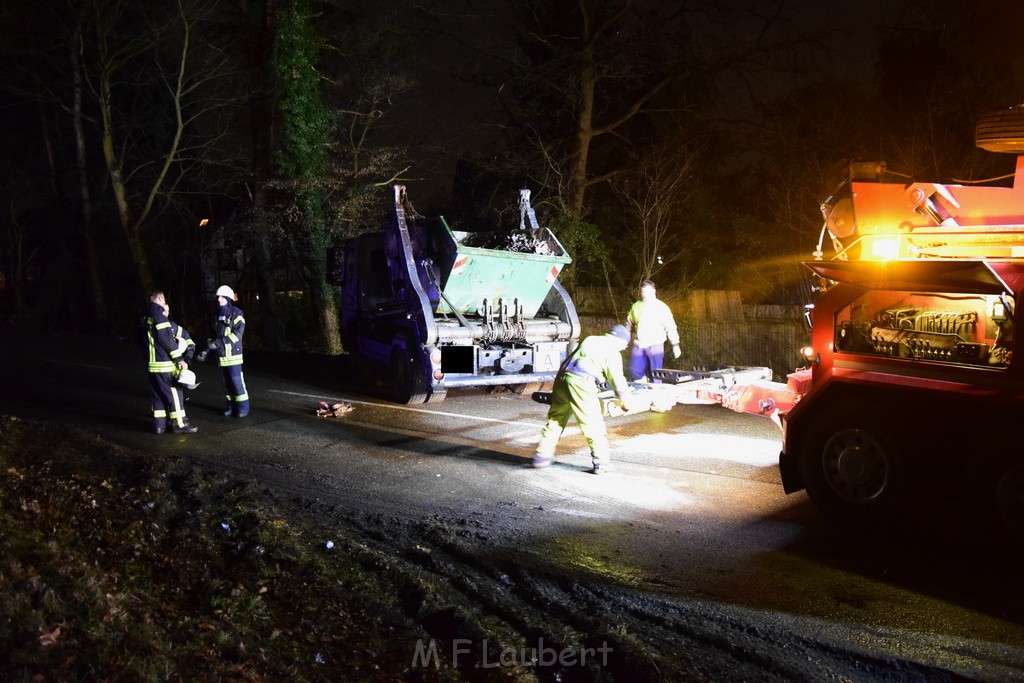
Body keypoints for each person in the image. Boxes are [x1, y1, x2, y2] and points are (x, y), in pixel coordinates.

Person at [533, 324, 635, 474]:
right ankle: (601, 463)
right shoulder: (613, 352)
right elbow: (617, 382)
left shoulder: (590, 339)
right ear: (620, 340)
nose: (624, 348)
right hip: (580, 383)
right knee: (593, 422)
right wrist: (627, 403)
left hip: (562, 379)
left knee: (556, 419)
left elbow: (582, 360)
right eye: (625, 345)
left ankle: (541, 456)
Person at [142, 291, 198, 434]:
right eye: (164, 302)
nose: (166, 310)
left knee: (158, 396)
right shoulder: (160, 319)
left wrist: (189, 352)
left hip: (152, 367)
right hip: (165, 366)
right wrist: (179, 359)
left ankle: (159, 426)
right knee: (175, 395)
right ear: (160, 298)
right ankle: (179, 424)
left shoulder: (145, 319)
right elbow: (166, 340)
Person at [204, 284, 250, 417]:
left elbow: (237, 335)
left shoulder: (237, 313)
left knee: (236, 382)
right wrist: (207, 348)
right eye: (218, 297)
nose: (218, 299)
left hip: (233, 356)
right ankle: (231, 407)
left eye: (221, 297)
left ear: (228, 298)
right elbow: (213, 334)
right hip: (222, 356)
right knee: (226, 384)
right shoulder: (216, 314)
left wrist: (218, 343)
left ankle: (243, 408)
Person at [625, 280, 681, 382]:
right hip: (639, 344)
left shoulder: (661, 307)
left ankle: (655, 392)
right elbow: (629, 322)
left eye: (647, 292)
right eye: (643, 292)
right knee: (634, 370)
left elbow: (671, 327)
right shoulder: (636, 306)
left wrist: (675, 345)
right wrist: (624, 339)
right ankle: (640, 387)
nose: (645, 294)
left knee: (655, 374)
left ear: (654, 291)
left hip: (655, 345)